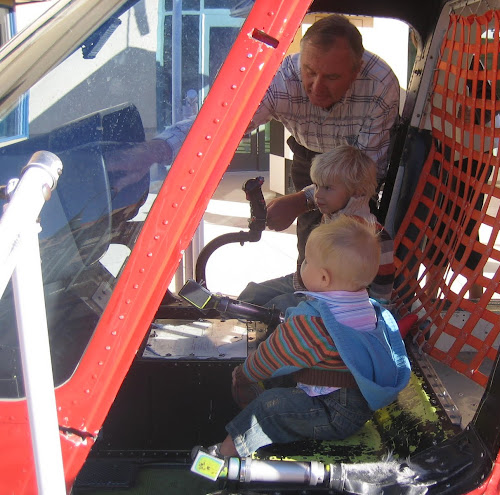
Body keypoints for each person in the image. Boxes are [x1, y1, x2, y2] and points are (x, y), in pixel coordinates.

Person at [156, 14, 400, 273]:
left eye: (331, 77)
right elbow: (222, 126)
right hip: (309, 158)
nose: (316, 87)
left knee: (356, 248)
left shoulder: (380, 85)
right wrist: (156, 150)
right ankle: (307, 296)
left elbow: (363, 176)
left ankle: (353, 304)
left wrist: (302, 201)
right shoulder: (282, 80)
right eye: (310, 71)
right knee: (310, 249)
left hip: (358, 166)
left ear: (356, 70)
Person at [213, 216, 411, 457]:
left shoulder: (314, 322)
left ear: (324, 278)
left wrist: (244, 372)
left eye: (306, 262)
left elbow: (274, 356)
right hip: (357, 405)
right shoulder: (368, 308)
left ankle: (223, 456)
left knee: (267, 408)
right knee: (279, 387)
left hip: (333, 412)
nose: (301, 265)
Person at [238, 145, 395, 312]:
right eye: (317, 186)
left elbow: (383, 286)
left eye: (327, 188)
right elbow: (319, 193)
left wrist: (378, 312)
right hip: (306, 283)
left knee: (271, 308)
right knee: (252, 294)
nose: (318, 194)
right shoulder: (335, 206)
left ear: (357, 192)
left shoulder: (371, 235)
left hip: (329, 302)